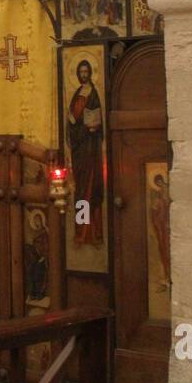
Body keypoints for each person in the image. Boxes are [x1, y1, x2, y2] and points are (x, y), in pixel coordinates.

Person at [67, 60, 105, 247]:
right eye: (80, 72)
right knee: (81, 192)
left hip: (91, 150)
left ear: (90, 73)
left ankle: (95, 234)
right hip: (79, 151)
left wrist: (93, 129)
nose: (83, 75)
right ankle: (81, 233)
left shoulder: (93, 93)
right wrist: (74, 124)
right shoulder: (76, 94)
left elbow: (97, 121)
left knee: (92, 190)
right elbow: (72, 123)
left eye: (86, 71)